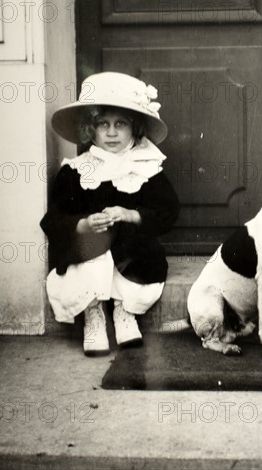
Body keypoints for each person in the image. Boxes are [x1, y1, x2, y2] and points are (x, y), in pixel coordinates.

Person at [40, 72, 179, 356]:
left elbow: (167, 211)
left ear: (135, 128)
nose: (112, 132)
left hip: (131, 252)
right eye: (104, 124)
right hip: (89, 250)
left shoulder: (146, 168)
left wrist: (131, 215)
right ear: (92, 129)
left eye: (121, 124)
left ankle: (124, 309)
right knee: (93, 245)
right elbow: (53, 219)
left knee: (137, 251)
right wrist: (82, 224)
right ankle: (93, 314)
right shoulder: (76, 170)